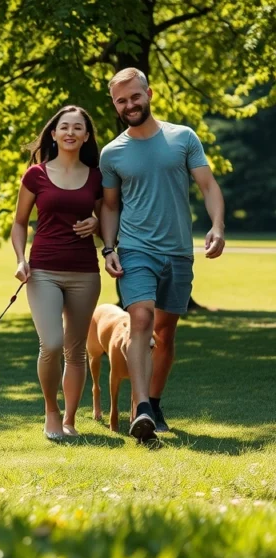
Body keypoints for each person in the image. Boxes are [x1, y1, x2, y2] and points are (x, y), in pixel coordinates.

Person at [100, 67, 226, 442]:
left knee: (165, 332)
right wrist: (109, 248)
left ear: (148, 93)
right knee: (140, 318)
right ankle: (140, 408)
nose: (129, 105)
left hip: (178, 252)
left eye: (134, 97)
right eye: (121, 101)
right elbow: (109, 207)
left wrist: (217, 226)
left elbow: (208, 185)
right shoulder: (112, 153)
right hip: (136, 248)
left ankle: (153, 402)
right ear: (115, 105)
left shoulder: (182, 138)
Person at [11, 105, 103, 440]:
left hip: (84, 273)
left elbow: (109, 220)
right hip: (44, 270)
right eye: (64, 127)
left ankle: (69, 419)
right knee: (51, 343)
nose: (70, 133)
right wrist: (21, 259)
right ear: (53, 133)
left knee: (75, 350)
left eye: (78, 128)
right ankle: (51, 411)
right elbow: (19, 223)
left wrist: (98, 224)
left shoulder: (96, 176)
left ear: (86, 136)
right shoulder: (35, 175)